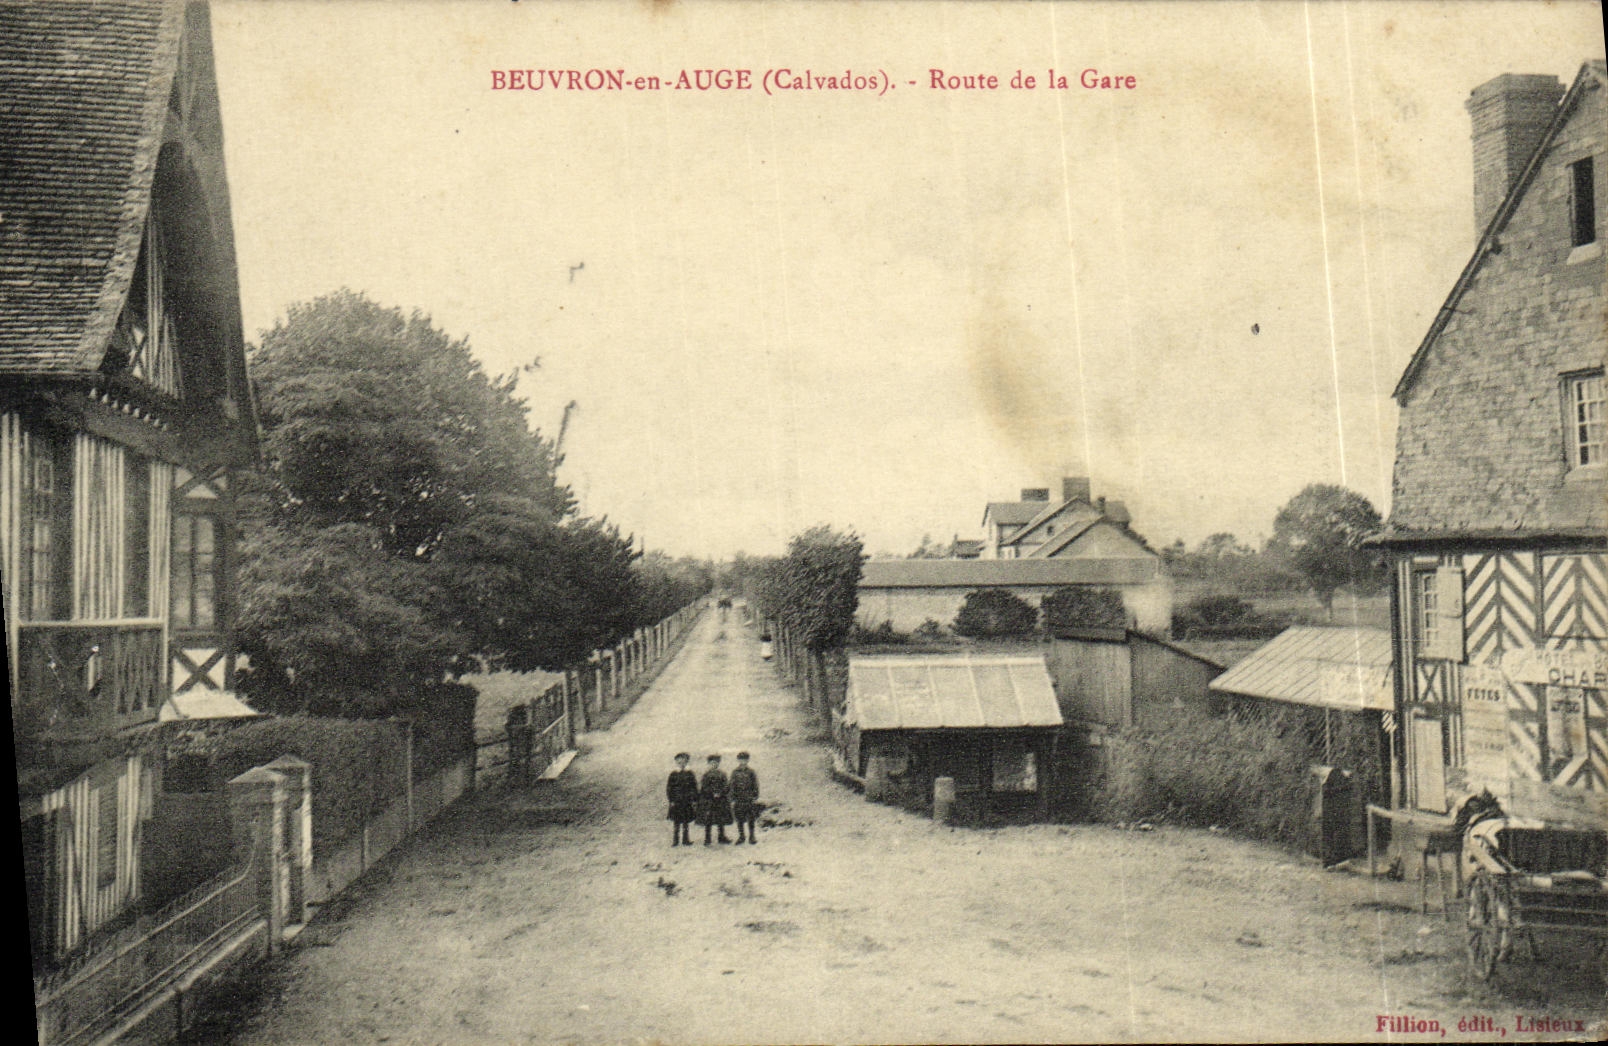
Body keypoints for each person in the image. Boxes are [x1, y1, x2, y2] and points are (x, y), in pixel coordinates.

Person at [698, 754, 733, 845]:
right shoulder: (706, 775)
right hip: (709, 800)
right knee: (708, 819)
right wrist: (712, 793)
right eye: (712, 763)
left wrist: (720, 793)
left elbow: (726, 786)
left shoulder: (722, 774)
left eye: (716, 763)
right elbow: (704, 787)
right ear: (709, 764)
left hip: (721, 800)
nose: (714, 764)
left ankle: (721, 837)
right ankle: (707, 838)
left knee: (721, 819)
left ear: (718, 763)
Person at [666, 752, 698, 846]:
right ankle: (675, 840)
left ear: (687, 762)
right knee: (676, 822)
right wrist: (671, 800)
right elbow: (669, 788)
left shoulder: (690, 774)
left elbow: (694, 787)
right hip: (676, 801)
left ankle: (685, 840)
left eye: (684, 762)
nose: (681, 764)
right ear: (676, 762)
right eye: (679, 762)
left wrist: (694, 799)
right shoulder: (673, 774)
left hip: (686, 801)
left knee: (685, 821)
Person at [730, 751, 760, 844]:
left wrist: (755, 796)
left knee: (751, 818)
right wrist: (732, 798)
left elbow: (755, 784)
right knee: (739, 818)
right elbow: (732, 785)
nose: (743, 761)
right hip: (739, 798)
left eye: (745, 760)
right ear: (738, 760)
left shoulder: (751, 772)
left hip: (749, 798)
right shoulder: (735, 772)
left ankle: (752, 836)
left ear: (748, 760)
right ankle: (741, 836)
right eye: (741, 760)